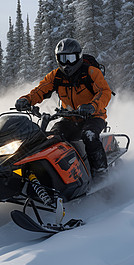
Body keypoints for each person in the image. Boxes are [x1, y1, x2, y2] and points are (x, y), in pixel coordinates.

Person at [15, 38, 112, 173]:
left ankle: (100, 172)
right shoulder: (56, 76)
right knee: (51, 139)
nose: (67, 63)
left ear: (78, 57)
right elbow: (40, 90)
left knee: (89, 135)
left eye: (71, 58)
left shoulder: (90, 73)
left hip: (93, 117)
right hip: (69, 118)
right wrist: (26, 100)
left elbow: (104, 92)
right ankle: (57, 174)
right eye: (63, 58)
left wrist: (92, 106)